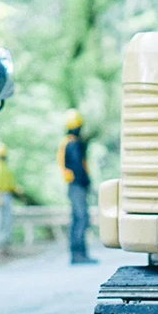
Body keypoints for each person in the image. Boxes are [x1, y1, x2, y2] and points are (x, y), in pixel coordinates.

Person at [60, 109, 97, 265]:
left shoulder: (67, 142)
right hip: (77, 185)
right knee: (81, 217)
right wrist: (87, 182)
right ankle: (79, 254)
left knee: (77, 217)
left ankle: (77, 253)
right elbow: (78, 166)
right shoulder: (73, 144)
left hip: (72, 185)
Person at [0, 143, 23, 249]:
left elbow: (12, 184)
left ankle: (5, 243)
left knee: (7, 220)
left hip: (7, 195)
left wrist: (16, 189)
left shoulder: (7, 169)